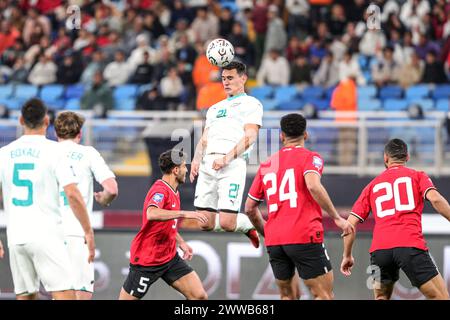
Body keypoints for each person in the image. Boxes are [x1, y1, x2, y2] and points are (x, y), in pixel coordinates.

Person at [244, 113, 354, 300]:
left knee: (287, 296)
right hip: (304, 235)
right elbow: (312, 185)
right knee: (323, 295)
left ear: (282, 136)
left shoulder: (267, 164)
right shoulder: (310, 158)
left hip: (276, 240)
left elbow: (249, 208)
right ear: (306, 134)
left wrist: (267, 232)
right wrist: (336, 218)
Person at [0, 98, 95, 300]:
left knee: (26, 296)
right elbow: (72, 193)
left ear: (20, 120)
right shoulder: (56, 151)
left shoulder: (4, 154)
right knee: (65, 294)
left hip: (16, 237)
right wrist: (87, 230)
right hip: (46, 234)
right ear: (46, 120)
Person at [340, 138, 450, 300]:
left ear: (385, 158)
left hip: (379, 252)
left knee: (381, 297)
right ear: (407, 157)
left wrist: (347, 255)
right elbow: (435, 199)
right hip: (410, 246)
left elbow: (349, 224)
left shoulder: (371, 186)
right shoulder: (417, 176)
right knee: (440, 296)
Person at [190, 61, 262, 247]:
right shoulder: (214, 108)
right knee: (204, 223)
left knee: (227, 223)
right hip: (208, 164)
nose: (226, 82)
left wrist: (227, 158)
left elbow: (251, 135)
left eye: (230, 78)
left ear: (243, 78)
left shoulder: (251, 103)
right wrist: (196, 160)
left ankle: (248, 225)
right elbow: (205, 138)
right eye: (223, 78)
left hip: (232, 163)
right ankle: (244, 224)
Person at [119, 150, 208, 300]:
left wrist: (181, 242)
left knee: (199, 296)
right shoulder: (160, 190)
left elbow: (168, 222)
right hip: (148, 260)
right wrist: (184, 213)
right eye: (184, 167)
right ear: (175, 170)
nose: (186, 169)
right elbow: (152, 213)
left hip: (169, 258)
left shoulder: (175, 191)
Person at [54, 111, 118, 300]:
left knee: (57, 293)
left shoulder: (47, 152)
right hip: (77, 232)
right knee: (80, 294)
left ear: (56, 133)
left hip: (49, 234)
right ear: (79, 134)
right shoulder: (88, 153)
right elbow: (112, 189)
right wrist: (104, 199)